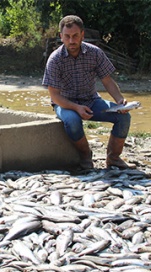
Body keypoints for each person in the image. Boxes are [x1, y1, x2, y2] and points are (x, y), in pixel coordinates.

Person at [42, 15, 135, 170]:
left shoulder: (95, 53)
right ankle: (86, 156)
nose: (71, 41)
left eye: (75, 36)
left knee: (124, 117)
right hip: (65, 104)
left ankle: (114, 158)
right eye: (67, 37)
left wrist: (120, 100)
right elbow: (55, 96)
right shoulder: (54, 60)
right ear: (61, 37)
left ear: (82, 35)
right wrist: (76, 108)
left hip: (91, 100)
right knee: (72, 121)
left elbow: (107, 80)